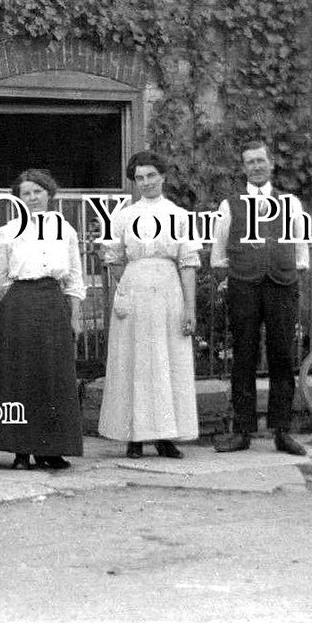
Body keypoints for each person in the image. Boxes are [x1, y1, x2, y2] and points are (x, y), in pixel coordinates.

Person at [97, 150, 199, 459]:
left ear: (163, 176)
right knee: (136, 362)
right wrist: (126, 289)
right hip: (135, 289)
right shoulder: (123, 216)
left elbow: (188, 263)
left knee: (168, 362)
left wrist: (189, 308)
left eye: (151, 175)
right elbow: (114, 259)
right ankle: (134, 437)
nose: (146, 182)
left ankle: (165, 436)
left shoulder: (179, 215)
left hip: (169, 289)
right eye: (139, 178)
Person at [211, 140, 309, 456]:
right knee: (244, 356)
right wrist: (236, 275)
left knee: (282, 355)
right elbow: (218, 251)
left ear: (271, 164)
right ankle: (242, 431)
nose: (256, 166)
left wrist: (291, 273)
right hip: (244, 287)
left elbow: (300, 246)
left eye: (260, 160)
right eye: (250, 162)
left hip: (281, 285)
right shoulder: (230, 206)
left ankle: (282, 431)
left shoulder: (290, 203)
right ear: (243, 168)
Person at [0, 169, 86, 470]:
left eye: (37, 192)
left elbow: (74, 276)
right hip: (19, 303)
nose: (32, 198)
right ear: (17, 198)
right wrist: (7, 306)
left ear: (49, 193)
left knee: (53, 377)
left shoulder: (65, 230)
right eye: (25, 193)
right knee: (21, 376)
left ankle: (50, 450)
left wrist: (76, 315)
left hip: (53, 302)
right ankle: (19, 451)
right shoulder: (7, 231)